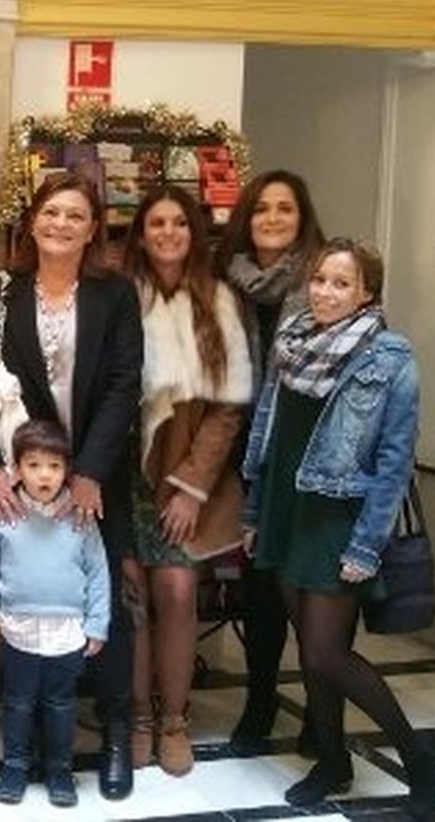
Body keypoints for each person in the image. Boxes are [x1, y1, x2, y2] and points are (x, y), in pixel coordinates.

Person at [0, 171, 143, 800]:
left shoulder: (115, 296)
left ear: (94, 229)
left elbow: (123, 387)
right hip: (19, 476)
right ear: (32, 221)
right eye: (51, 212)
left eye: (76, 215)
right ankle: (26, 741)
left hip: (92, 479)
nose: (61, 224)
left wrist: (89, 473)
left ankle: (114, 732)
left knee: (104, 599)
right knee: (27, 593)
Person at [242, 239, 435, 819]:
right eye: (320, 280)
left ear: (366, 293)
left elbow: (395, 463)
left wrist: (366, 545)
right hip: (285, 509)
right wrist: (254, 512)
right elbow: (269, 431)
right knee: (309, 653)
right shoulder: (292, 340)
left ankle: (417, 754)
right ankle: (332, 761)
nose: (325, 292)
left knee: (328, 654)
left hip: (337, 520)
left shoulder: (389, 358)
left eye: (341, 283)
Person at [121, 185, 252, 777]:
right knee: (131, 594)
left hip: (182, 476)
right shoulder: (120, 295)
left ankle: (174, 718)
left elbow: (227, 408)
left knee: (175, 591)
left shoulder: (217, 301)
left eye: (178, 222)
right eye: (157, 223)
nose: (168, 233)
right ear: (141, 233)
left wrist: (193, 486)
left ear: (193, 233)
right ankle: (136, 716)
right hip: (122, 470)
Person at [214, 169, 328, 756]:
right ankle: (259, 703)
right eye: (261, 208)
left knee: (309, 591)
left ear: (302, 218)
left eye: (285, 208)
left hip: (308, 455)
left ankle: (321, 714)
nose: (273, 218)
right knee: (260, 590)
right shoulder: (227, 281)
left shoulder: (325, 280)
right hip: (247, 453)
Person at [0, 420, 110, 809]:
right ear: (17, 469)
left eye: (54, 466)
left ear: (67, 470)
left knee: (60, 704)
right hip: (17, 627)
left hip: (68, 631)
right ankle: (15, 766)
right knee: (17, 702)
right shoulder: (1, 513)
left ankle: (59, 769)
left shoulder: (80, 514)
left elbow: (98, 572)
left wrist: (97, 624)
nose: (45, 475)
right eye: (34, 465)